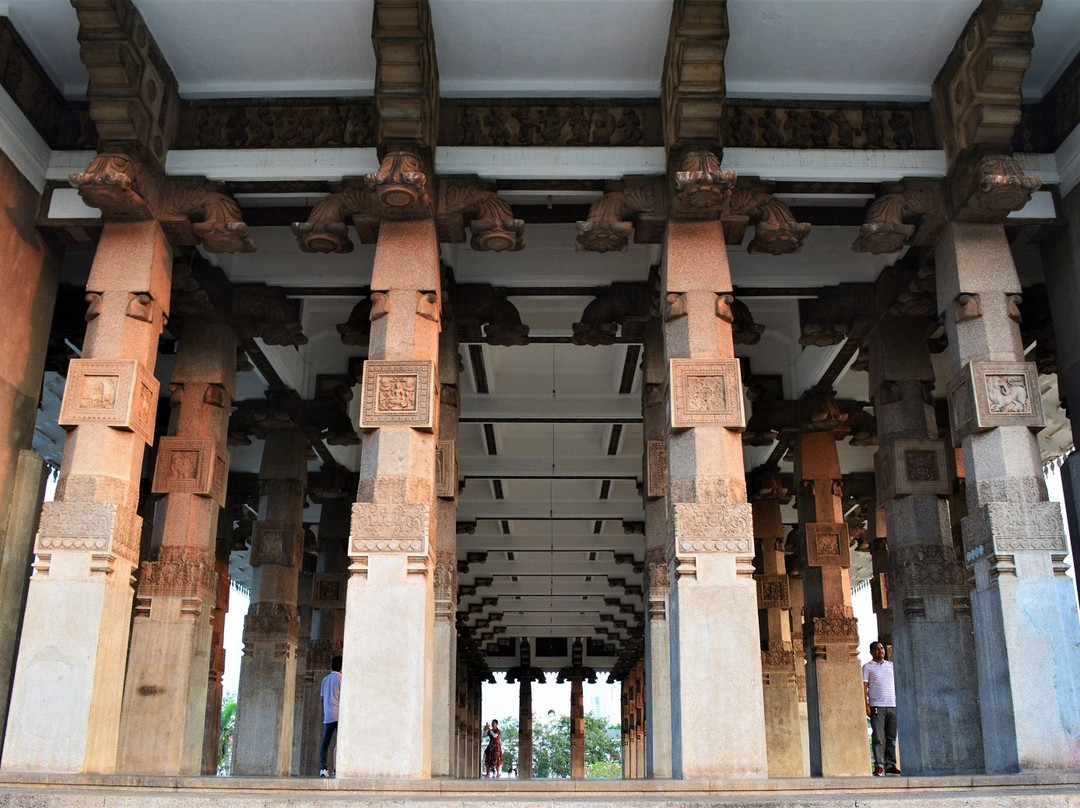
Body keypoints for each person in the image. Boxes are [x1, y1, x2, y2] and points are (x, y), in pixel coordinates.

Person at [862, 641, 899, 776]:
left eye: (882, 648)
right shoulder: (867, 667)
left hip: (893, 704)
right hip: (877, 705)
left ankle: (890, 764)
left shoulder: (891, 666)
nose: (880, 650)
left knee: (891, 737)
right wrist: (865, 704)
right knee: (878, 737)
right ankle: (879, 765)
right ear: (871, 652)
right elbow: (864, 687)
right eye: (877, 649)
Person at [319, 654, 342, 777]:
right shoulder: (341, 679)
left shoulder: (325, 679)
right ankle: (336, 769)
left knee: (325, 743)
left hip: (328, 715)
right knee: (339, 742)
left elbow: (322, 699)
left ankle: (323, 769)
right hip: (339, 714)